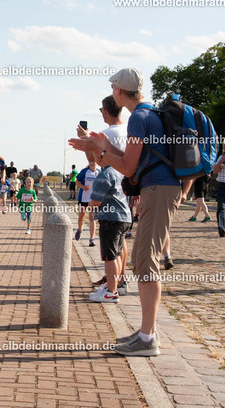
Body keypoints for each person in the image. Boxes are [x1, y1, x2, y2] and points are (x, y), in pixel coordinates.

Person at [69, 67, 192, 357]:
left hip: (158, 190)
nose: (112, 93)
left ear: (119, 91)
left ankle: (148, 338)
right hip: (158, 188)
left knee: (146, 262)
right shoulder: (148, 114)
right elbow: (130, 160)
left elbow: (127, 168)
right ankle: (146, 332)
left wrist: (99, 151)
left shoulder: (138, 117)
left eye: (113, 88)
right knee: (142, 259)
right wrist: (104, 146)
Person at [88, 133, 131, 303]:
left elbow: (96, 201)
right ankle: (114, 286)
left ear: (100, 157)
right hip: (123, 217)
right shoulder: (118, 172)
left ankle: (111, 291)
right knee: (117, 254)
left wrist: (89, 206)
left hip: (110, 219)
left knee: (109, 256)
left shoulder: (104, 175)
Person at [75, 160, 100, 247]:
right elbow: (77, 181)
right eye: (90, 161)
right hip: (84, 198)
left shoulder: (99, 172)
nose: (92, 163)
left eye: (94, 161)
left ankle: (91, 239)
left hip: (93, 198)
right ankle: (79, 229)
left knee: (92, 218)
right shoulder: (84, 171)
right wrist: (83, 187)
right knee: (81, 216)